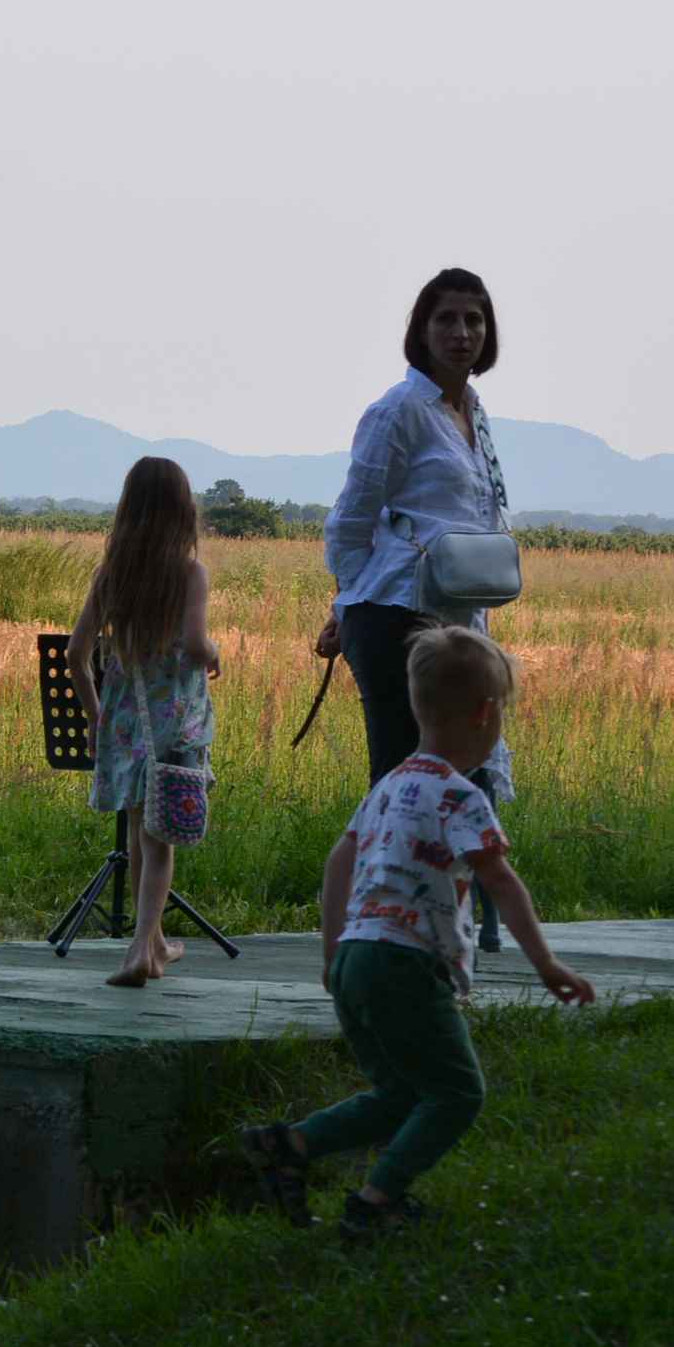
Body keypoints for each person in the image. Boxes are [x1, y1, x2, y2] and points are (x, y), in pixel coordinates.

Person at [241, 627, 592, 1239]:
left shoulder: (390, 786)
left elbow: (338, 864)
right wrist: (547, 964)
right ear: (486, 714)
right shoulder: (461, 796)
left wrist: (332, 953)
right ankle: (376, 1201)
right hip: (406, 966)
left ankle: (290, 1145)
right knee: (457, 1093)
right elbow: (501, 882)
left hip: (355, 959)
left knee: (401, 1094)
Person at [316, 269, 517, 793]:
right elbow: (351, 520)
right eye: (446, 319)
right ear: (422, 331)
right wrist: (352, 601)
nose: (461, 333)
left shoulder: (472, 411)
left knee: (465, 779)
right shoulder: (398, 410)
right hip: (395, 620)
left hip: (458, 618)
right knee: (405, 784)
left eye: (474, 320)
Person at [63, 456, 220, 988]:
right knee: (160, 840)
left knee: (138, 830)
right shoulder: (190, 574)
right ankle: (138, 949)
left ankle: (154, 947)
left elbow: (76, 654)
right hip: (174, 723)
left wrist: (96, 716)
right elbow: (195, 645)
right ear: (184, 510)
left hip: (127, 723)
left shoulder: (112, 574)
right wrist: (215, 651)